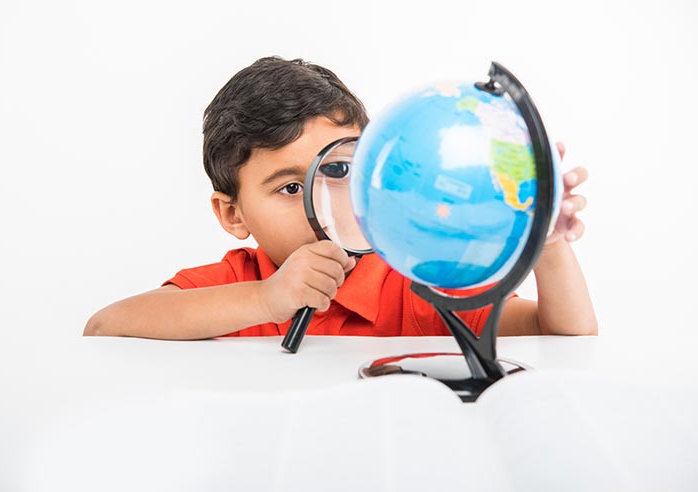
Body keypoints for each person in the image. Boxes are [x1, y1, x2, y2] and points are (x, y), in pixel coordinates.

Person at [83, 56, 597, 340]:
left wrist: (548, 247)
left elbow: (562, 334)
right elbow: (106, 326)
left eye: (338, 171)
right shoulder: (238, 285)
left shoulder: (410, 278)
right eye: (289, 188)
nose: (323, 203)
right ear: (232, 214)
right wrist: (266, 300)